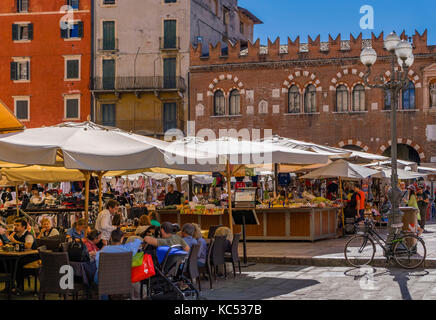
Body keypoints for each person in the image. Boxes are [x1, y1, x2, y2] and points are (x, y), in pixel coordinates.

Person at [94, 229, 143, 299]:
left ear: (111, 238)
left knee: (100, 276)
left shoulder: (102, 252)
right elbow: (137, 241)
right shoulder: (128, 249)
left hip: (105, 282)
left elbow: (98, 266)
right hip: (123, 281)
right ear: (122, 239)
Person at [7, 219, 38, 293]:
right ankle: (10, 285)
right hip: (20, 256)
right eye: (14, 225)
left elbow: (28, 246)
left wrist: (14, 241)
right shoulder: (16, 235)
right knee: (8, 261)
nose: (15, 227)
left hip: (32, 257)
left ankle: (19, 286)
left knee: (17, 263)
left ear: (23, 227)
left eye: (17, 225)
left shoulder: (28, 235)